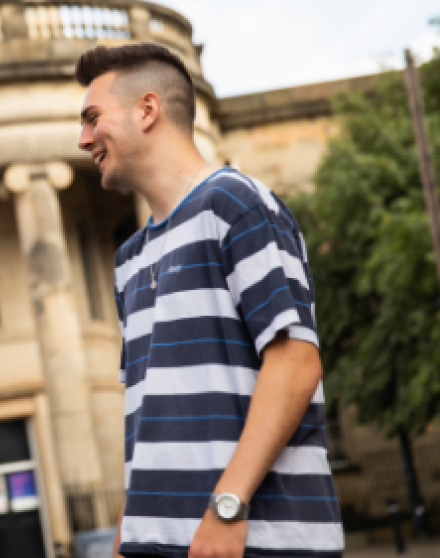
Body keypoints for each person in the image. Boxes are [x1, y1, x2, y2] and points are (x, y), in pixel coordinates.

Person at [76, 44, 343, 558]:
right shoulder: (129, 259)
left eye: (92, 118)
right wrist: (126, 537)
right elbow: (148, 421)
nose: (83, 139)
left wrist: (228, 507)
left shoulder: (234, 204)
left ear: (147, 110)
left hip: (252, 540)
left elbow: (295, 363)